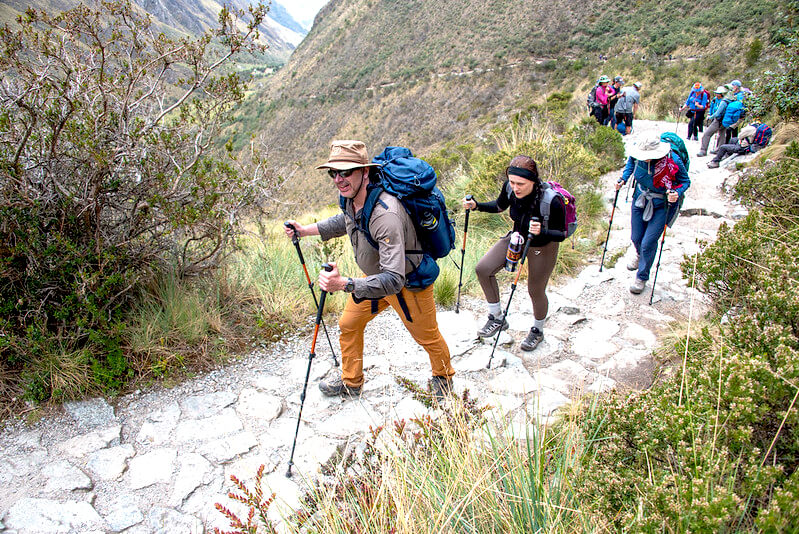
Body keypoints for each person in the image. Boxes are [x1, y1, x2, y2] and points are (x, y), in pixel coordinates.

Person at [284, 140, 455, 399]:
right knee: (349, 323)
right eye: (334, 173)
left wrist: (344, 284)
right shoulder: (351, 197)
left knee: (427, 337)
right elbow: (346, 220)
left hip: (408, 284)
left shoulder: (386, 215)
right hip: (375, 280)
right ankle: (351, 382)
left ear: (365, 171)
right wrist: (306, 230)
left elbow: (394, 280)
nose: (339, 179)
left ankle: (443, 377)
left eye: (346, 172)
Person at [462, 155, 567, 351]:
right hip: (517, 238)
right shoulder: (510, 188)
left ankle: (537, 330)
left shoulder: (553, 201)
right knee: (483, 269)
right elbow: (499, 205)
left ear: (533, 182)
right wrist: (477, 206)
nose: (516, 188)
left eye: (521, 184)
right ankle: (497, 318)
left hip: (542, 246)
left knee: (535, 290)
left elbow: (562, 234)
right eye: (512, 182)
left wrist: (541, 231)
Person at [616, 135, 690, 294]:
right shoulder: (637, 154)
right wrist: (623, 179)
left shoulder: (673, 161)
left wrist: (676, 192)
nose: (644, 158)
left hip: (661, 205)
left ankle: (641, 277)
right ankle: (639, 255)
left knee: (648, 242)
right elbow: (631, 164)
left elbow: (685, 181)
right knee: (636, 237)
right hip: (640, 199)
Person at [697, 86, 733, 157]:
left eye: (718, 93)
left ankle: (703, 150)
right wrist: (710, 114)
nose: (717, 94)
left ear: (722, 94)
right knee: (722, 135)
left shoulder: (723, 102)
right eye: (716, 93)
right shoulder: (718, 100)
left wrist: (710, 117)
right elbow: (712, 108)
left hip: (718, 120)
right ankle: (719, 150)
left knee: (707, 134)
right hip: (724, 121)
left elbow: (717, 113)